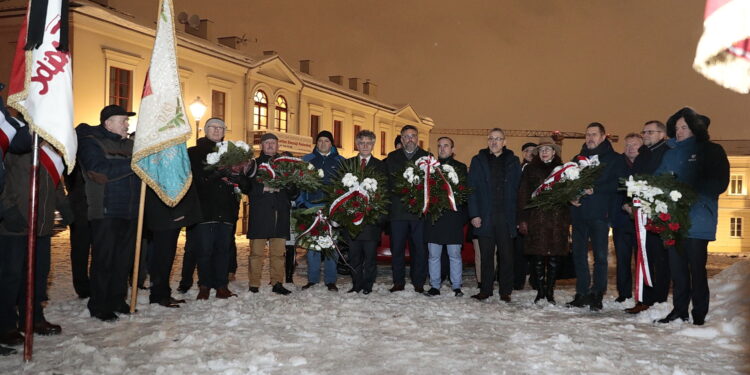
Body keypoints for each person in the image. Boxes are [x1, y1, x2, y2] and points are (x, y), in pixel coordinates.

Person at [654, 107, 728, 325]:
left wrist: (687, 190)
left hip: (698, 218)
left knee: (696, 268)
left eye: (684, 127)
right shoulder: (670, 152)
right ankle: (679, 310)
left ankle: (699, 313)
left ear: (696, 129)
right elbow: (659, 178)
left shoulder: (712, 151)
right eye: (676, 128)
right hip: (672, 219)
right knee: (677, 270)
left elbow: (719, 182)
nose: (679, 131)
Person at [77, 105, 141, 321]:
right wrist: (134, 165)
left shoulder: (131, 145)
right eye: (123, 120)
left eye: (127, 121)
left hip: (130, 210)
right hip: (106, 209)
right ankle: (99, 304)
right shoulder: (91, 142)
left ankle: (116, 299)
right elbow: (100, 172)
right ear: (108, 123)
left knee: (123, 260)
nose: (127, 124)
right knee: (104, 260)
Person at [188, 118, 249, 300]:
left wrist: (237, 176)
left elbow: (245, 184)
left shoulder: (234, 153)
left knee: (224, 250)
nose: (216, 130)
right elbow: (197, 179)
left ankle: (222, 285)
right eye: (213, 127)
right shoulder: (194, 152)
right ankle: (205, 285)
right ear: (205, 130)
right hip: (205, 209)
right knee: (205, 250)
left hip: (227, 208)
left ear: (224, 131)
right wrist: (217, 173)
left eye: (220, 127)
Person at [566, 122, 625, 311]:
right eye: (587, 134)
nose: (590, 138)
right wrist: (571, 197)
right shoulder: (577, 158)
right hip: (579, 213)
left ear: (603, 136)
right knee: (579, 255)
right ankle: (581, 292)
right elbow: (568, 182)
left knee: (600, 256)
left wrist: (596, 189)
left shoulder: (614, 159)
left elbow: (619, 184)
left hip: (600, 213)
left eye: (594, 134)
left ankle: (597, 294)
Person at [468, 128, 521, 302]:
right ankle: (486, 289)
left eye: (498, 139)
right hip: (485, 216)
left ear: (504, 142)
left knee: (507, 257)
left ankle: (505, 291)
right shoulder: (478, 160)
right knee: (486, 256)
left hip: (506, 217)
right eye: (491, 138)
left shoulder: (513, 161)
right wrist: (474, 214)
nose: (494, 142)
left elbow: (519, 191)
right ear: (487, 141)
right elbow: (472, 190)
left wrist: (519, 218)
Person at [625, 120, 671, 314]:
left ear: (662, 133)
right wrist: (630, 201)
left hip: (660, 212)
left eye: (650, 132)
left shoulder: (667, 152)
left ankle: (659, 300)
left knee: (660, 258)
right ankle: (644, 299)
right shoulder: (643, 154)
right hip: (640, 212)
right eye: (644, 132)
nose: (645, 135)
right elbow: (633, 179)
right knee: (643, 256)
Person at [517, 139, 569, 304]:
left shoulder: (563, 170)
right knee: (538, 258)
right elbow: (523, 194)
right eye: (541, 150)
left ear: (554, 152)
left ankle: (550, 291)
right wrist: (523, 219)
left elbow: (568, 195)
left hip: (557, 220)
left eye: (548, 149)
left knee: (554, 258)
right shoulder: (531, 169)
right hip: (536, 219)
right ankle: (540, 291)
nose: (544, 152)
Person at [247, 133, 297, 295]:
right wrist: (265, 189)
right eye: (267, 143)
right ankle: (254, 284)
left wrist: (291, 187)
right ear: (261, 145)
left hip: (280, 212)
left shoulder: (285, 165)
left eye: (273, 143)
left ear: (278, 146)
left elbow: (294, 191)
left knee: (278, 253)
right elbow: (246, 187)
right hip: (260, 213)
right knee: (256, 253)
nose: (270, 145)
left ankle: (277, 283)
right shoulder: (253, 164)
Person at [385, 125, 429, 293]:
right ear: (401, 139)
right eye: (406, 136)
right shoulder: (392, 157)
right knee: (397, 249)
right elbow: (388, 184)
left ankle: (418, 282)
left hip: (419, 213)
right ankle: (398, 282)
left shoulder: (427, 157)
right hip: (398, 212)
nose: (410, 139)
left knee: (419, 249)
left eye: (413, 136)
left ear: (417, 138)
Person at [144, 182, 201, 307]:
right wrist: (177, 210)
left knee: (166, 255)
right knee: (162, 255)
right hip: (165, 212)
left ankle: (163, 293)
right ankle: (158, 294)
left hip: (168, 211)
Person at [299, 130, 344, 291]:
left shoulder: (340, 161)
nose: (323, 144)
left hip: (332, 210)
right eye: (320, 141)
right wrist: (302, 203)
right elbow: (299, 183)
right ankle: (312, 279)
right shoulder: (306, 160)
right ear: (316, 144)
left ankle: (331, 280)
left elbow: (345, 186)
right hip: (311, 209)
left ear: (331, 144)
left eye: (326, 141)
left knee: (332, 245)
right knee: (312, 246)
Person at [425, 137, 468, 297]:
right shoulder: (430, 167)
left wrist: (463, 217)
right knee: (434, 255)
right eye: (440, 146)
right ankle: (434, 286)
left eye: (446, 146)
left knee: (455, 255)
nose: (442, 149)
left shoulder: (461, 168)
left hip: (453, 218)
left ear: (452, 149)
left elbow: (465, 194)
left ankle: (456, 286)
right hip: (434, 219)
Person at [346, 130, 386, 294]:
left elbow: (385, 193)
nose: (364, 146)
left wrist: (381, 217)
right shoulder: (348, 164)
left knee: (370, 257)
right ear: (357, 144)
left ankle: (368, 285)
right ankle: (356, 284)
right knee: (354, 256)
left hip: (371, 220)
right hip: (352, 219)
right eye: (361, 143)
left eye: (368, 143)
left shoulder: (381, 165)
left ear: (373, 145)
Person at [611, 133, 643, 303]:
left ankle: (642, 292)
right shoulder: (617, 163)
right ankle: (624, 293)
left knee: (641, 258)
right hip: (620, 219)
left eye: (634, 145)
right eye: (628, 145)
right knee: (622, 259)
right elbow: (613, 186)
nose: (630, 148)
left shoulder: (646, 163)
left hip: (641, 220)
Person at [514, 142, 537, 290]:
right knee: (518, 250)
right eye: (527, 151)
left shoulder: (539, 170)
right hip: (519, 214)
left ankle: (535, 280)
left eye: (532, 151)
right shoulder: (517, 169)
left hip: (534, 215)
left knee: (535, 250)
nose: (530, 153)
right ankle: (518, 280)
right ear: (523, 153)